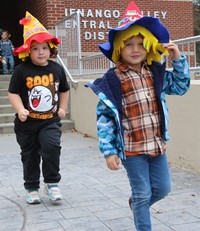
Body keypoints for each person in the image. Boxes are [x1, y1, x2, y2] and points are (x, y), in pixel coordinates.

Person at [86, 1, 190, 230]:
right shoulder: (113, 80)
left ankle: (137, 204)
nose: (135, 49)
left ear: (150, 47)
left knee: (162, 189)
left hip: (157, 146)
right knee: (142, 193)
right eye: (129, 44)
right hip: (132, 149)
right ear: (119, 49)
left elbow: (182, 87)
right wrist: (108, 151)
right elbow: (104, 117)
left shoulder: (156, 74)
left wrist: (178, 58)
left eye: (141, 44)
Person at [8, 12, 70, 204]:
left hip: (50, 121)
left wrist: (62, 108)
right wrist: (20, 109)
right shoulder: (21, 71)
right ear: (28, 51)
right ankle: (32, 187)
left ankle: (51, 183)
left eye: (44, 48)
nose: (41, 52)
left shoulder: (57, 69)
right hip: (27, 124)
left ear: (51, 49)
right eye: (35, 49)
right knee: (30, 155)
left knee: (52, 147)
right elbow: (13, 93)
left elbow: (64, 90)